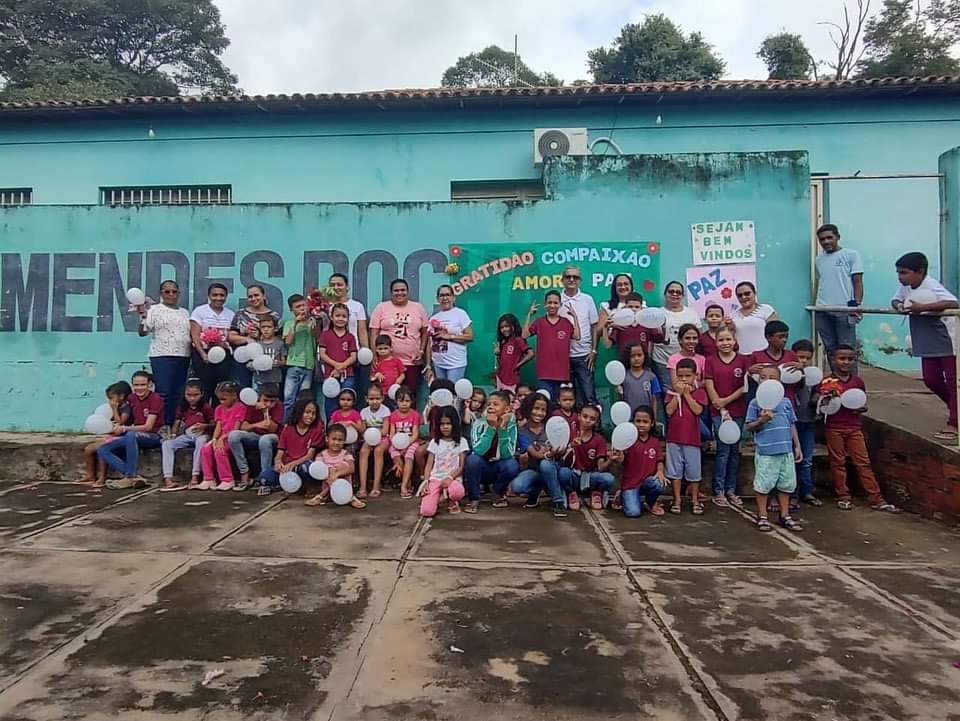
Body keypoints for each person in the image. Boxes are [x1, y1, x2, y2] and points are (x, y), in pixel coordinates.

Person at [817, 345, 901, 512]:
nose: (846, 362)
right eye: (842, 358)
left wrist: (861, 408)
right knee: (838, 463)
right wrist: (826, 399)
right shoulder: (827, 382)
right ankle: (843, 496)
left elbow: (862, 402)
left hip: (854, 427)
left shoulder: (857, 381)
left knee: (863, 463)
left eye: (850, 359)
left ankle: (876, 498)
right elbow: (818, 404)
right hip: (834, 427)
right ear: (833, 360)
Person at [892, 251, 960, 441]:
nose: (900, 277)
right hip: (925, 338)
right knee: (931, 379)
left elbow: (953, 302)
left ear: (920, 272)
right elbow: (896, 299)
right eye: (898, 273)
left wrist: (922, 308)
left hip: (945, 338)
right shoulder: (906, 287)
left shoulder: (931, 285)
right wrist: (898, 306)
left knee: (953, 381)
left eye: (904, 273)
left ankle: (954, 422)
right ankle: (956, 410)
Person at [745, 366, 804, 532]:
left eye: (772, 378)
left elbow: (791, 424)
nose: (767, 381)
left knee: (786, 484)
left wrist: (797, 445)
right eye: (763, 377)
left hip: (785, 450)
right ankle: (762, 515)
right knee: (763, 484)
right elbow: (749, 426)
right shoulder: (755, 403)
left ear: (779, 382)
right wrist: (761, 420)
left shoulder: (785, 402)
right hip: (766, 452)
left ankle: (784, 515)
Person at [704, 327, 750, 508]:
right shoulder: (710, 361)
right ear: (716, 343)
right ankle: (719, 490)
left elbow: (744, 387)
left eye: (728, 339)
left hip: (737, 410)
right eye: (721, 340)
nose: (725, 343)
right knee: (723, 451)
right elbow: (709, 383)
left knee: (735, 451)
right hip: (717, 412)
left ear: (734, 341)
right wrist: (718, 403)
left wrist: (726, 401)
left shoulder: (743, 361)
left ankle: (731, 490)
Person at [136, 280, 191, 428]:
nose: (171, 294)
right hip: (162, 356)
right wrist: (142, 315)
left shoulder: (184, 312)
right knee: (164, 391)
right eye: (167, 291)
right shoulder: (154, 309)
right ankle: (162, 425)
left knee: (179, 393)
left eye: (174, 291)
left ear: (179, 293)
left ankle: (174, 425)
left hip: (183, 356)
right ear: (161, 294)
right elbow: (142, 332)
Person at [97, 370, 164, 490]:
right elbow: (123, 419)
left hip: (153, 435)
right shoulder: (132, 398)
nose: (139, 388)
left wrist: (123, 428)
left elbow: (148, 427)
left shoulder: (155, 398)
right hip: (133, 436)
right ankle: (134, 477)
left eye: (143, 384)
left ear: (150, 385)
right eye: (136, 385)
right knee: (103, 449)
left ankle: (129, 476)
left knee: (130, 435)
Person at [511, 392, 571, 517]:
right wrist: (548, 453)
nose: (539, 413)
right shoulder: (521, 431)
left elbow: (561, 450)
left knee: (551, 467)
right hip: (534, 470)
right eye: (536, 408)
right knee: (518, 486)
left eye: (543, 410)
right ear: (528, 408)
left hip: (554, 468)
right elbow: (535, 454)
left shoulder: (552, 427)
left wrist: (561, 451)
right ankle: (537, 490)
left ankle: (558, 502)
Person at [814, 224, 863, 367]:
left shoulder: (851, 255)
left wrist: (856, 305)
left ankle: (851, 384)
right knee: (830, 349)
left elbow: (857, 281)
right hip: (822, 310)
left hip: (845, 310)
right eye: (822, 239)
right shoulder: (819, 260)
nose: (826, 241)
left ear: (838, 237)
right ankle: (835, 383)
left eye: (830, 237)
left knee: (846, 350)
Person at [369, 278, 429, 393]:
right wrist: (374, 355)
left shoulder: (418, 308)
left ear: (408, 291)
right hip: (387, 363)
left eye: (403, 290)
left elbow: (425, 332)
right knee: (387, 395)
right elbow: (374, 333)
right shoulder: (381, 307)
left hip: (411, 362)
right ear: (391, 292)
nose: (400, 293)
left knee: (409, 396)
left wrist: (421, 351)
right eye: (396, 291)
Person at [464, 390, 520, 513]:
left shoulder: (511, 425)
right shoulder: (479, 423)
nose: (491, 407)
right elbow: (478, 450)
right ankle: (474, 498)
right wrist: (491, 428)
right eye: (489, 404)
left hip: (499, 466)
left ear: (506, 409)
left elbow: (508, 454)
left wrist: (502, 429)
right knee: (472, 460)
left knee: (512, 464)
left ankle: (497, 492)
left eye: (495, 404)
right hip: (482, 466)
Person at [257, 397, 325, 496]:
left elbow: (309, 455)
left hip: (301, 465)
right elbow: (280, 452)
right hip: (287, 467)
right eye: (307, 412)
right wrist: (278, 462)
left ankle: (307, 487)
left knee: (306, 468)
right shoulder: (287, 429)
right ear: (299, 412)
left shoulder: (316, 429)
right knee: (264, 477)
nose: (310, 416)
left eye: (313, 413)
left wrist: (293, 464)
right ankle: (282, 485)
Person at [665, 358, 707, 514]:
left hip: (692, 439)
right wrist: (678, 395)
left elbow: (698, 410)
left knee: (694, 472)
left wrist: (687, 395)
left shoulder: (700, 392)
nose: (683, 379)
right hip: (674, 439)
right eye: (680, 376)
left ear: (695, 376)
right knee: (674, 471)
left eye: (687, 376)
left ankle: (695, 500)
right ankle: (676, 499)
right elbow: (669, 411)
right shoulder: (672, 392)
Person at [609, 406, 666, 518]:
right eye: (638, 421)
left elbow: (659, 460)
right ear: (633, 422)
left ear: (652, 423)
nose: (641, 424)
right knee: (633, 512)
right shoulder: (628, 440)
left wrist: (660, 472)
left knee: (658, 484)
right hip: (631, 484)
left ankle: (650, 503)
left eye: (645, 422)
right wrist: (619, 458)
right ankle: (622, 496)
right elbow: (622, 460)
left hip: (647, 481)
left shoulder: (654, 442)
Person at [523, 290, 580, 400]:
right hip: (544, 373)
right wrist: (529, 315)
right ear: (545, 304)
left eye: (555, 303)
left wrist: (575, 317)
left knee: (560, 404)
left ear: (560, 305)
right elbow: (525, 335)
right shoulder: (539, 322)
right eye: (549, 303)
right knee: (545, 403)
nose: (552, 305)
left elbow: (577, 336)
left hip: (562, 374)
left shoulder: (566, 322)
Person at [227, 382, 283, 491]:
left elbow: (273, 429)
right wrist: (257, 425)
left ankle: (265, 478)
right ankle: (244, 472)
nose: (268, 404)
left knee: (265, 440)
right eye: (265, 400)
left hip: (273, 437)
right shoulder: (251, 405)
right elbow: (243, 427)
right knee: (234, 435)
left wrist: (265, 412)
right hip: (255, 435)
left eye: (272, 402)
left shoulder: (279, 406)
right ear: (259, 398)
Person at [160, 379, 212, 491]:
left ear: (201, 394)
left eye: (195, 395)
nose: (192, 398)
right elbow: (177, 421)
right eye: (189, 395)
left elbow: (214, 423)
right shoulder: (183, 406)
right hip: (188, 435)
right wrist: (173, 435)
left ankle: (195, 476)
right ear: (184, 394)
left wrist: (205, 426)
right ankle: (168, 478)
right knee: (167, 444)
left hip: (202, 434)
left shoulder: (206, 407)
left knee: (201, 442)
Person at [77, 381, 132, 487]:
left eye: (112, 398)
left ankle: (102, 477)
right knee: (88, 449)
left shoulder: (126, 408)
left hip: (122, 436)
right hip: (111, 435)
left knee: (101, 449)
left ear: (121, 396)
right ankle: (90, 474)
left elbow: (121, 422)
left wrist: (115, 409)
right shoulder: (108, 409)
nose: (110, 402)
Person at [558, 265, 599, 405]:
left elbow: (594, 326)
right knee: (566, 401)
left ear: (580, 280)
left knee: (589, 397)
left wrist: (593, 350)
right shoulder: (556, 300)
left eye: (575, 277)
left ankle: (595, 427)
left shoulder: (587, 299)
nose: (571, 279)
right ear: (562, 280)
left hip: (584, 356)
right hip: (562, 358)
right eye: (568, 277)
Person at [189, 282, 235, 402]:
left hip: (223, 355)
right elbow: (194, 335)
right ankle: (203, 416)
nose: (218, 298)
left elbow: (231, 336)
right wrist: (203, 354)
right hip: (203, 354)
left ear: (226, 296)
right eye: (215, 295)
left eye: (222, 295)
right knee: (204, 387)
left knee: (220, 388)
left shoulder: (230, 314)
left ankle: (218, 417)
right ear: (209, 296)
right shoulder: (199, 311)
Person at [419, 406, 469, 517]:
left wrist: (450, 477)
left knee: (457, 492)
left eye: (448, 424)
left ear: (455, 424)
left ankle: (450, 499)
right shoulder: (434, 442)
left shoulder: (462, 441)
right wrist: (426, 482)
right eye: (442, 424)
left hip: (453, 478)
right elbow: (429, 465)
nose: (445, 427)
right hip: (435, 478)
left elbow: (461, 466)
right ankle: (437, 496)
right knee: (426, 511)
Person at [197, 381, 247, 491]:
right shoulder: (219, 409)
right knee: (206, 449)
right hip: (220, 437)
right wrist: (215, 438)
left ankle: (227, 479)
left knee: (220, 450)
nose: (221, 402)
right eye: (220, 399)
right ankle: (208, 478)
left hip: (230, 437)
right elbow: (219, 426)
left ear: (234, 396)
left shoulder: (240, 407)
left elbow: (236, 428)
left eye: (224, 399)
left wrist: (222, 438)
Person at [228, 284, 281, 388]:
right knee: (245, 388)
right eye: (250, 296)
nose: (253, 298)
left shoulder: (274, 316)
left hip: (266, 359)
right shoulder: (240, 314)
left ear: (264, 296)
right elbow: (231, 337)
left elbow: (279, 339)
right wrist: (247, 339)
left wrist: (260, 335)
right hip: (244, 359)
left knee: (266, 391)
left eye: (256, 295)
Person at [651, 281, 700, 392]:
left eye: (678, 292)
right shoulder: (657, 314)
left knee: (688, 391)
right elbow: (651, 338)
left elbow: (698, 337)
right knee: (669, 392)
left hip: (686, 363)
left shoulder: (692, 314)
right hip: (662, 361)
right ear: (665, 294)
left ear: (682, 296)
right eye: (671, 291)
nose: (674, 294)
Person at [305, 423, 366, 508]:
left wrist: (337, 473)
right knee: (329, 470)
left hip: (344, 488)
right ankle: (328, 495)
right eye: (333, 439)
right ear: (327, 439)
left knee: (343, 466)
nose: (336, 442)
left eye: (340, 440)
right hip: (327, 485)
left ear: (344, 441)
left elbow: (352, 468)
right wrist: (331, 472)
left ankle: (322, 496)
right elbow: (319, 471)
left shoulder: (346, 453)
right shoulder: (321, 455)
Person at [791, 339, 822, 507]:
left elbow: (818, 392)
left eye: (806, 358)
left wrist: (817, 399)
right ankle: (792, 493)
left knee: (807, 458)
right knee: (792, 458)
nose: (803, 361)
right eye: (800, 357)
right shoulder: (789, 374)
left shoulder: (815, 375)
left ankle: (807, 491)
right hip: (792, 422)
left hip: (809, 420)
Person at [570, 404, 616, 510]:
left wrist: (610, 460)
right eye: (585, 416)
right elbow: (561, 458)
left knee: (608, 479)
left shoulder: (599, 440)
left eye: (592, 418)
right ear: (578, 416)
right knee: (563, 473)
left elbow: (600, 468)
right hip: (573, 475)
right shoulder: (571, 433)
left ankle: (596, 493)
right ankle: (571, 493)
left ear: (596, 422)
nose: (587, 420)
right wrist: (571, 446)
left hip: (590, 477)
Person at [318, 302, 359, 419]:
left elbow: (353, 356)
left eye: (344, 316)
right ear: (331, 317)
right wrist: (336, 365)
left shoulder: (350, 337)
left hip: (348, 375)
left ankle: (347, 427)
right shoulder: (325, 335)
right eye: (337, 316)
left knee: (347, 401)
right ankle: (331, 428)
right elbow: (322, 354)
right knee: (330, 402)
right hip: (330, 375)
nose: (340, 319)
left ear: (348, 318)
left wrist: (342, 366)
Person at [426, 284, 474, 383]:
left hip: (455, 364)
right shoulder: (433, 318)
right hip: (438, 364)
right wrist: (428, 365)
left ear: (453, 297)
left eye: (447, 295)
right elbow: (429, 343)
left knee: (453, 394)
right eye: (442, 295)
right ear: (437, 299)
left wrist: (449, 336)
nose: (445, 298)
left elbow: (470, 337)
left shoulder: (460, 314)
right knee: (442, 394)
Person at [282, 293, 318, 419]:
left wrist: (312, 322)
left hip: (308, 365)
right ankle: (286, 424)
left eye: (304, 305)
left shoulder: (312, 321)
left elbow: (316, 336)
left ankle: (300, 423)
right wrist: (296, 324)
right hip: (293, 364)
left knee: (303, 399)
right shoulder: (289, 323)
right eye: (298, 307)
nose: (302, 309)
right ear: (292, 310)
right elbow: (288, 342)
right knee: (289, 398)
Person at [750, 320, 800, 406]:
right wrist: (749, 372)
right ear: (768, 337)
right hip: (764, 403)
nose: (784, 340)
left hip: (787, 402)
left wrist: (800, 370)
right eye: (780, 337)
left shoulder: (791, 355)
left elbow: (799, 382)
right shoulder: (756, 356)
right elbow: (749, 383)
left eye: (786, 337)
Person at [386, 385, 421, 498]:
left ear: (411, 401)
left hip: (411, 441)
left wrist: (406, 444)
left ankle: (404, 485)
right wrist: (396, 444)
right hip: (396, 443)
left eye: (407, 401)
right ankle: (407, 480)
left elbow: (415, 434)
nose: (404, 404)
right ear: (396, 401)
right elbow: (392, 433)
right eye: (401, 401)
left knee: (408, 456)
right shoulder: (393, 415)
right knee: (395, 454)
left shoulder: (415, 415)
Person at [604, 292, 662, 357]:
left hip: (643, 363)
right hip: (625, 362)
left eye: (637, 307)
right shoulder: (619, 324)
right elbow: (607, 345)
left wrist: (659, 325)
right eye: (630, 306)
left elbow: (659, 339)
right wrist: (605, 328)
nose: (633, 309)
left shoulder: (647, 325)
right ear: (625, 307)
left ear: (641, 309)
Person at [726, 281, 777, 355]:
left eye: (747, 293)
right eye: (740, 295)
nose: (744, 297)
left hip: (765, 356)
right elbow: (730, 336)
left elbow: (776, 333)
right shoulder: (732, 315)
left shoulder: (766, 309)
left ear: (754, 293)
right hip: (741, 357)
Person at [617, 343, 662, 423]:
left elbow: (654, 400)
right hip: (629, 419)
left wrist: (654, 418)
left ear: (645, 356)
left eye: (639, 355)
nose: (636, 358)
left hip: (646, 419)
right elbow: (620, 399)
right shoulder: (623, 377)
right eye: (632, 356)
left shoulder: (651, 376)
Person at [598, 273, 642, 349]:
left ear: (631, 286)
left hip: (639, 352)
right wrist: (608, 326)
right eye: (619, 284)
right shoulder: (606, 306)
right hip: (616, 350)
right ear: (614, 288)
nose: (623, 287)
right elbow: (599, 333)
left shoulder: (643, 305)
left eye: (626, 284)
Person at [494, 313, 533, 393]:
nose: (504, 329)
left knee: (510, 400)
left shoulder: (518, 340)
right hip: (500, 377)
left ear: (513, 326)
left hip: (511, 380)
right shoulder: (504, 341)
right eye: (501, 327)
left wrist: (517, 365)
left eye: (507, 326)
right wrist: (498, 353)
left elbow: (531, 354)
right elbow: (501, 363)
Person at [251, 316, 285, 390]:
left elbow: (284, 361)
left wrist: (279, 363)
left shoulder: (280, 344)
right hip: (259, 380)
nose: (266, 329)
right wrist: (254, 366)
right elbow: (250, 363)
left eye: (269, 327)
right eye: (263, 327)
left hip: (274, 379)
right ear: (260, 329)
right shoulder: (257, 345)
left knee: (272, 399)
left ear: (275, 329)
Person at [370, 335, 407, 399]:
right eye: (380, 349)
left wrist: (400, 379)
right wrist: (377, 375)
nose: (383, 351)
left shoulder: (396, 361)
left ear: (391, 348)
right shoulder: (376, 363)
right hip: (382, 393)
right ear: (376, 349)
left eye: (385, 348)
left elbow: (403, 374)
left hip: (395, 390)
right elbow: (371, 377)